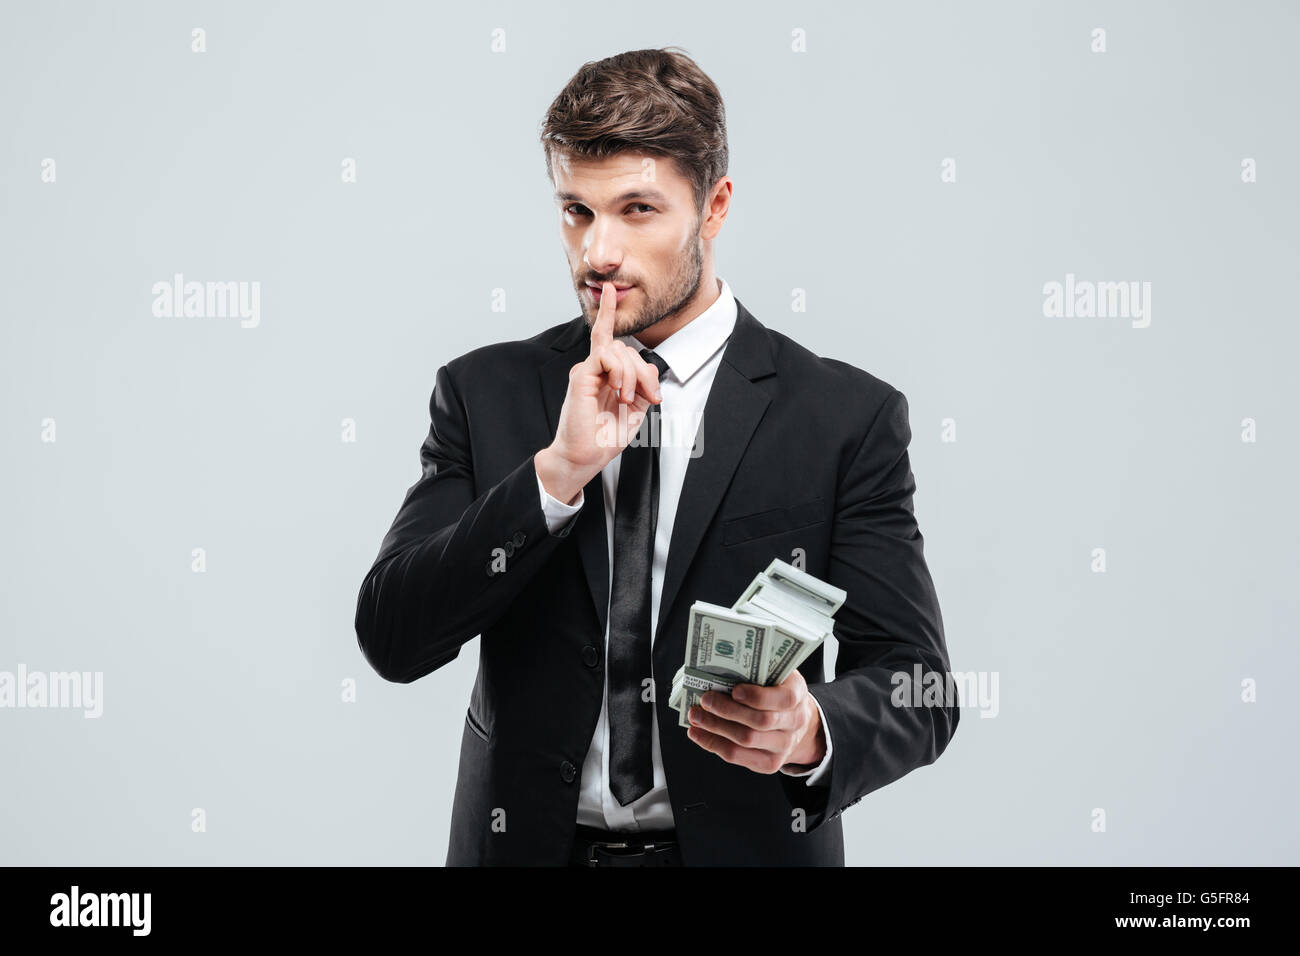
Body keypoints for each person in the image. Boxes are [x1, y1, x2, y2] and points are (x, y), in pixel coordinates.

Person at [354, 46, 958, 866]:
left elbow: (920, 687)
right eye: (576, 211)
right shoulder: (483, 392)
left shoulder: (844, 417)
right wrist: (556, 476)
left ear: (714, 208)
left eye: (637, 210)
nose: (598, 253)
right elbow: (393, 637)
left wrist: (810, 728)